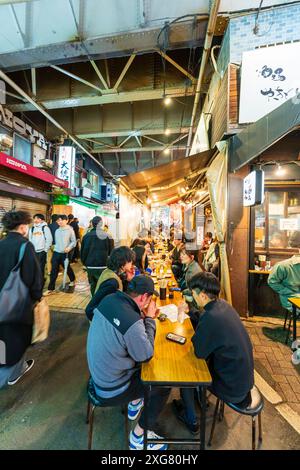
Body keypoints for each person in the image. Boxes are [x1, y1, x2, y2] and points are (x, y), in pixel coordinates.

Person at [87, 275, 170, 450]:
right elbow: (145, 355)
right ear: (143, 297)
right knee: (163, 385)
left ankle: (134, 404)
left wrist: (141, 317)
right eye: (149, 298)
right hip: (110, 389)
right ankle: (138, 436)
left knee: (136, 360)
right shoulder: (131, 322)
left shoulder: (109, 299)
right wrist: (149, 319)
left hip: (97, 375)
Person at [173, 272, 254, 434]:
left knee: (186, 373)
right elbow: (205, 318)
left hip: (232, 389)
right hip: (244, 381)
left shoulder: (211, 317)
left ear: (202, 295)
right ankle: (199, 398)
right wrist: (190, 312)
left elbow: (199, 352)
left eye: (193, 294)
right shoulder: (223, 305)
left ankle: (191, 419)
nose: (192, 297)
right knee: (196, 367)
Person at [0, 211, 43, 388]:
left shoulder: (1, 244)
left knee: (3, 335)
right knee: (19, 337)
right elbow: (34, 277)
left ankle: (5, 363)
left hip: (1, 302)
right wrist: (36, 298)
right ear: (23, 226)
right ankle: (13, 373)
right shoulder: (25, 246)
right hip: (18, 303)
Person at [85, 246, 136, 321]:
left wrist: (128, 280)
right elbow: (89, 310)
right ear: (123, 263)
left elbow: (120, 292)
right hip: (104, 326)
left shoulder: (110, 271)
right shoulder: (112, 282)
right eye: (130, 261)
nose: (132, 264)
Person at [268, 230, 300, 324]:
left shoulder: (283, 265)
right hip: (290, 299)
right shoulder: (284, 266)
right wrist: (288, 291)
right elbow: (272, 282)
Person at [45, 215, 77, 294]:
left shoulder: (70, 230)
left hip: (65, 253)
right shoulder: (57, 230)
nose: (59, 222)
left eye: (61, 220)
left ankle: (72, 279)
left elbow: (74, 241)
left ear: (66, 220)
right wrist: (55, 247)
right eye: (58, 221)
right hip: (56, 252)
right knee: (53, 271)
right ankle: (50, 289)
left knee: (67, 268)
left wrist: (69, 248)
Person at [81, 216, 112, 295]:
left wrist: (84, 263)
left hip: (90, 265)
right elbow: (111, 252)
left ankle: (94, 300)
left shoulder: (86, 236)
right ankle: (101, 301)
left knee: (93, 284)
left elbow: (83, 252)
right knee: (102, 284)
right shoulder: (108, 236)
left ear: (91, 224)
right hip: (103, 265)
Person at [29, 213, 53, 283]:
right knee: (34, 268)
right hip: (33, 251)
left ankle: (40, 282)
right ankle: (35, 281)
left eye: (38, 219)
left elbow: (49, 239)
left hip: (41, 251)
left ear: (42, 220)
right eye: (35, 218)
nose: (36, 220)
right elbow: (30, 240)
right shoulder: (32, 228)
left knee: (40, 268)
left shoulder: (45, 228)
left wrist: (45, 250)